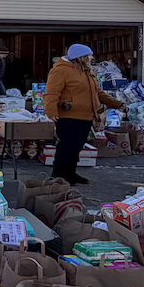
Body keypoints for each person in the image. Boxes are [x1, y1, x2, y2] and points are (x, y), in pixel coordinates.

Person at [43, 43, 124, 185]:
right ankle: (58, 176)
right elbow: (52, 92)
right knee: (67, 147)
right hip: (68, 116)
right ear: (81, 57)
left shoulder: (87, 71)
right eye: (89, 55)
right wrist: (51, 111)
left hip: (85, 116)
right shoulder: (61, 70)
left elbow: (98, 93)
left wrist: (117, 104)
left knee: (76, 147)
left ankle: (70, 174)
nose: (92, 58)